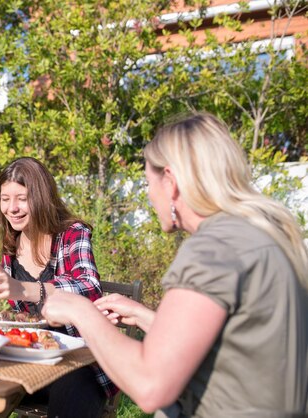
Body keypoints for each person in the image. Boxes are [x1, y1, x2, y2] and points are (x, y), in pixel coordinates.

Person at [41, 112, 308, 417]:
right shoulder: (264, 234)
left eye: (147, 183)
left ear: (170, 181)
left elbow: (150, 384)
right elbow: (238, 348)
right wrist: (145, 316)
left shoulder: (213, 249)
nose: (149, 196)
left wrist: (79, 309)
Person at [0, 157, 117, 418]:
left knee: (70, 391)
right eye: (5, 199)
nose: (12, 208)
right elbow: (26, 318)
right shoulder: (11, 246)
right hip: (32, 360)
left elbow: (89, 286)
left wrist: (25, 289)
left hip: (79, 362)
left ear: (41, 196)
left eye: (21, 198)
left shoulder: (72, 234)